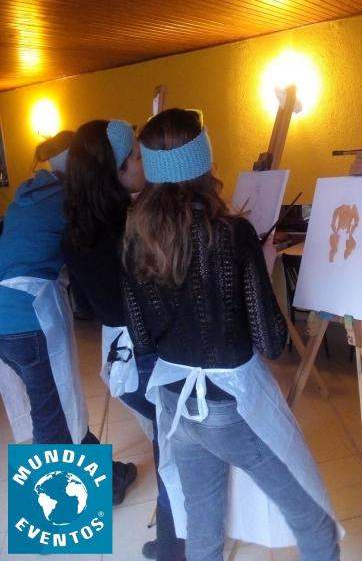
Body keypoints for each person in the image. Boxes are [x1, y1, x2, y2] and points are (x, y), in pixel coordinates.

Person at [123, 108, 341, 561]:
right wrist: (257, 266)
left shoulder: (135, 237)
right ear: (203, 162)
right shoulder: (231, 234)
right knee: (313, 518)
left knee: (203, 531)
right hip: (228, 405)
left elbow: (142, 340)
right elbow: (271, 340)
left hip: (175, 404)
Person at [62, 119, 183, 561]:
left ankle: (172, 537)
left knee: (167, 437)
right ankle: (175, 544)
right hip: (145, 353)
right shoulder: (130, 229)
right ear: (113, 171)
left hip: (117, 359)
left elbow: (89, 305)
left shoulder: (77, 230)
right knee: (173, 442)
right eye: (133, 155)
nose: (141, 161)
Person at [0, 130, 136, 504]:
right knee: (51, 413)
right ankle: (55, 515)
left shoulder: (29, 193)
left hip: (5, 318)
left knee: (54, 402)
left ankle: (106, 478)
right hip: (29, 317)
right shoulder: (69, 200)